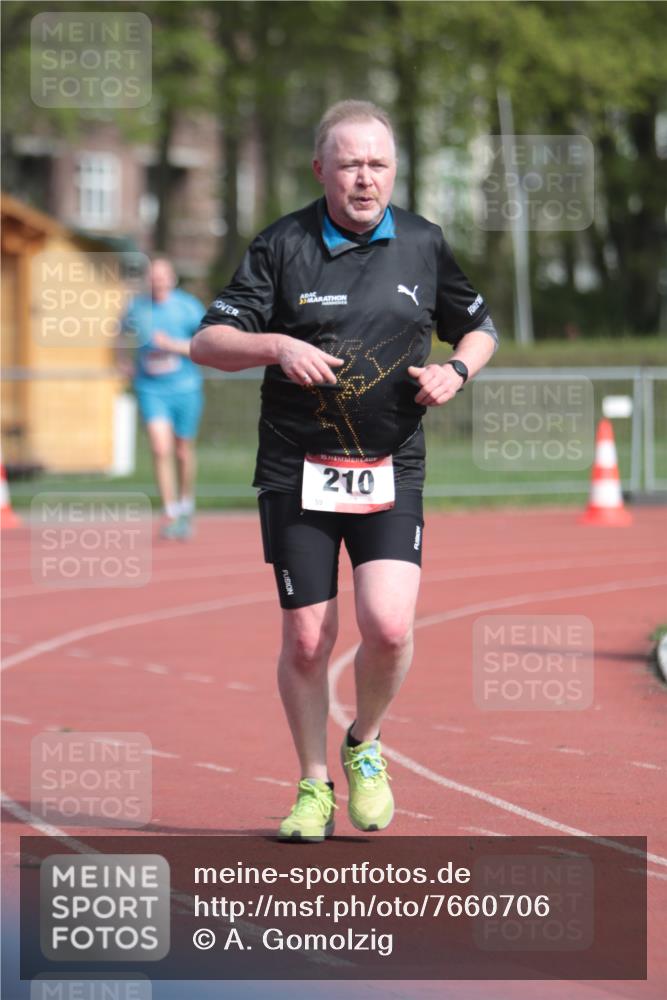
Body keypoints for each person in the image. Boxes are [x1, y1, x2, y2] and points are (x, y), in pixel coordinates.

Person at [191, 100, 498, 841]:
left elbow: (478, 327)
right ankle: (311, 785)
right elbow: (208, 340)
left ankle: (363, 743)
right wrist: (274, 348)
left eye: (378, 164)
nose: (365, 178)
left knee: (388, 627)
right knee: (306, 640)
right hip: (297, 468)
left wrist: (455, 369)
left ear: (393, 170)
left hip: (390, 464)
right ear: (320, 169)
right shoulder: (282, 244)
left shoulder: (422, 243)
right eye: (351, 163)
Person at [120, 257, 205, 540]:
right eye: (153, 276)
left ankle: (185, 503)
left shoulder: (188, 306)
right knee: (159, 448)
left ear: (172, 278)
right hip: (150, 387)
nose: (157, 281)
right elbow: (119, 336)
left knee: (182, 450)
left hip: (185, 387)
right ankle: (169, 510)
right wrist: (123, 361)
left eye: (162, 276)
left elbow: (205, 345)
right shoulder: (136, 307)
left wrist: (172, 345)